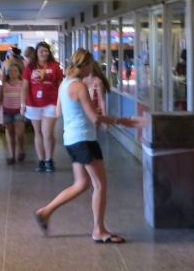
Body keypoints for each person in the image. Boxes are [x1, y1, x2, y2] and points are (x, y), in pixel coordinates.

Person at [33, 49, 147, 243]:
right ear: (85, 65)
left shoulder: (64, 84)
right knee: (100, 184)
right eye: (91, 65)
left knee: (82, 184)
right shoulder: (79, 86)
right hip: (84, 139)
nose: (92, 69)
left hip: (71, 138)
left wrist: (83, 110)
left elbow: (60, 111)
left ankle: (45, 212)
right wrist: (122, 120)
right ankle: (99, 230)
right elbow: (94, 117)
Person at [23, 41, 64, 172]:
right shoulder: (29, 68)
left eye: (46, 51)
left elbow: (60, 85)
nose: (44, 53)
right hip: (33, 103)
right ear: (36, 52)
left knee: (47, 132)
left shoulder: (55, 67)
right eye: (42, 51)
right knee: (38, 133)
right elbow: (25, 87)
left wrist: (61, 102)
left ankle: (49, 160)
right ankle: (41, 160)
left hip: (51, 103)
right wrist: (22, 104)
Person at [0, 61, 26, 163]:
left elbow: (26, 98)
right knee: (10, 134)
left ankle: (21, 149)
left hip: (18, 112)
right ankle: (12, 155)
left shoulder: (22, 84)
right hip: (7, 112)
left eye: (15, 71)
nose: (13, 73)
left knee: (19, 133)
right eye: (11, 71)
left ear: (19, 73)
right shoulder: (4, 85)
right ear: (7, 73)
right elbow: (0, 99)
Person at [83, 61, 110, 133]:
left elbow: (102, 100)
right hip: (84, 111)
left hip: (96, 112)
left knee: (93, 134)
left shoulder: (98, 82)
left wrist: (104, 117)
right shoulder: (82, 80)